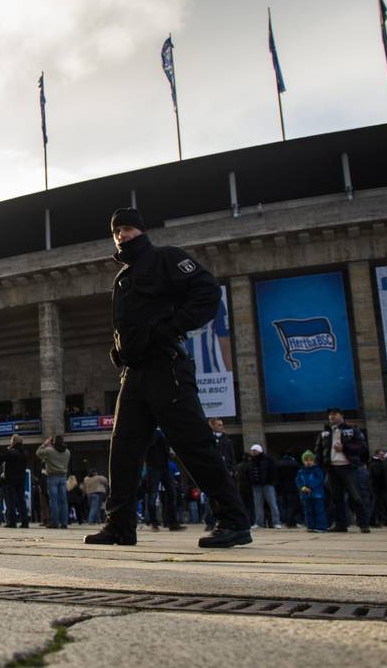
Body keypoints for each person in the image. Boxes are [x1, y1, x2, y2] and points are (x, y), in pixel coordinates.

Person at [89, 208, 251, 549]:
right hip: (134, 374)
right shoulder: (123, 277)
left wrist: (173, 327)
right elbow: (129, 324)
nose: (122, 235)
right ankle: (119, 526)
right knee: (123, 451)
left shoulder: (166, 258)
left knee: (194, 445)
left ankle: (233, 521)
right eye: (116, 231)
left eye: (128, 228)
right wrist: (120, 350)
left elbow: (207, 291)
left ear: (142, 231)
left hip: (167, 368)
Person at [312, 407, 371, 533]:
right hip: (332, 468)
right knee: (336, 498)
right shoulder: (325, 432)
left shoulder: (352, 429)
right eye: (330, 415)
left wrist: (345, 447)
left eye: (334, 414)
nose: (331, 416)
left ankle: (363, 524)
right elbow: (318, 449)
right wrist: (321, 464)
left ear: (341, 415)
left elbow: (361, 446)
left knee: (355, 496)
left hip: (348, 467)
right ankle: (341, 524)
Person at [143, 428, 182, 531]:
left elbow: (166, 447)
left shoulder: (163, 433)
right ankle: (153, 523)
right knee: (152, 496)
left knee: (172, 493)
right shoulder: (151, 431)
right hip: (153, 466)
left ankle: (172, 522)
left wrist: (169, 451)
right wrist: (161, 434)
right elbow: (152, 442)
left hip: (164, 466)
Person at [37, 436, 70, 529]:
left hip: (52, 476)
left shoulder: (49, 451)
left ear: (54, 442)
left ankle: (55, 522)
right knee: (63, 501)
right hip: (63, 477)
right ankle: (64, 522)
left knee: (53, 500)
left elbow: (38, 453)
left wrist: (44, 444)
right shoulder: (67, 452)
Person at [246, 445, 281, 529]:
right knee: (258, 505)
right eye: (252, 450)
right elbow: (248, 473)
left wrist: (271, 481)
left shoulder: (268, 460)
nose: (253, 452)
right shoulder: (251, 461)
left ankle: (276, 522)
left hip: (267, 485)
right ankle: (259, 523)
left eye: (254, 450)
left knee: (272, 504)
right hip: (256, 486)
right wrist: (251, 482)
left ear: (259, 450)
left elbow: (273, 471)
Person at [0, 435, 30, 528]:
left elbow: (0, 458)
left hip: (10, 479)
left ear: (13, 442)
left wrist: (7, 449)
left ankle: (12, 522)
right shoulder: (25, 452)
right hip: (21, 479)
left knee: (10, 501)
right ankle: (25, 522)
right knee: (21, 500)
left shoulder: (11, 452)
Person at [295, 451, 327, 532]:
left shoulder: (317, 470)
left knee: (319, 511)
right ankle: (310, 526)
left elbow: (319, 480)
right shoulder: (301, 471)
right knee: (308, 511)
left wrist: (310, 487)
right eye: (306, 460)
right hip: (305, 495)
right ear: (303, 461)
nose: (308, 462)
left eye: (311, 460)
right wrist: (302, 488)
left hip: (317, 495)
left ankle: (321, 527)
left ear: (313, 461)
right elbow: (298, 481)